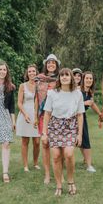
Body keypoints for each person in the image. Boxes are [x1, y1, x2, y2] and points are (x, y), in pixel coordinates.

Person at [42, 67, 85, 196]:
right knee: (55, 156)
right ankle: (59, 185)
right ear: (59, 78)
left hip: (70, 126)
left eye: (67, 75)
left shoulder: (78, 93)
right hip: (55, 126)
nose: (64, 77)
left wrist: (79, 134)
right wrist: (44, 133)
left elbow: (80, 115)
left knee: (69, 154)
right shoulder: (52, 93)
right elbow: (47, 113)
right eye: (62, 75)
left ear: (71, 77)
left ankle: (71, 181)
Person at [75, 69, 103, 172]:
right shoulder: (77, 90)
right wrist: (84, 103)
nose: (89, 80)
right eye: (87, 78)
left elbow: (91, 103)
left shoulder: (90, 91)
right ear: (83, 79)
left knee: (85, 141)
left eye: (90, 78)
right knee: (72, 141)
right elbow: (71, 105)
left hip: (82, 117)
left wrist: (100, 114)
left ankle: (89, 165)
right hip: (73, 118)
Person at [38, 53, 60, 184]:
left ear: (56, 65)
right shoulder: (40, 79)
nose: (51, 65)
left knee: (59, 146)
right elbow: (37, 99)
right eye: (49, 63)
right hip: (43, 116)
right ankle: (47, 174)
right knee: (45, 144)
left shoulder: (60, 79)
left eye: (53, 63)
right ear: (46, 65)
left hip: (57, 116)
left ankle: (59, 172)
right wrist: (36, 116)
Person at [16, 64, 40, 172]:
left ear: (36, 73)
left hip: (36, 114)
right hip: (25, 113)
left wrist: (37, 116)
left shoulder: (39, 85)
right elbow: (19, 103)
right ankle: (25, 165)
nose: (31, 73)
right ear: (27, 73)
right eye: (29, 71)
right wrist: (25, 114)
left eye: (33, 71)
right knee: (25, 141)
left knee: (37, 141)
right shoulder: (22, 86)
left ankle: (35, 163)